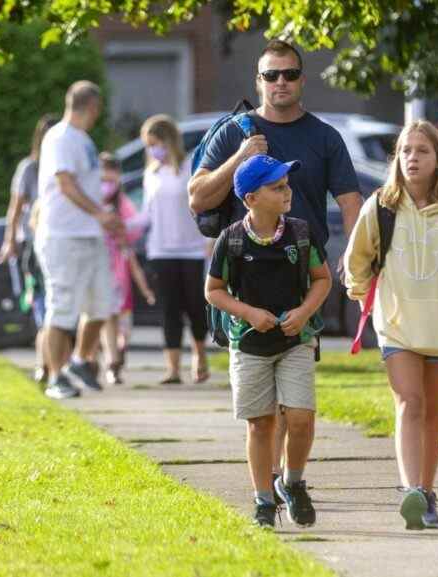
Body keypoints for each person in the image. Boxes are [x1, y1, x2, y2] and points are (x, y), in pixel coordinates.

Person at [189, 38, 363, 493]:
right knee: (261, 401)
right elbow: (198, 196)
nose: (280, 82)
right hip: (245, 280)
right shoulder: (235, 131)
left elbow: (350, 200)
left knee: (293, 397)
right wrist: (241, 157)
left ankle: (280, 480)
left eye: (289, 74)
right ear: (258, 81)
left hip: (303, 277)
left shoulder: (325, 137)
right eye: (271, 75)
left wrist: (354, 253)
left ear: (302, 80)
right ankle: (271, 480)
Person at [344, 121, 438, 530]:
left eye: (422, 151)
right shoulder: (379, 206)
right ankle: (411, 488)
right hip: (396, 326)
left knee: (432, 413)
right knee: (409, 403)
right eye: (405, 150)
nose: (412, 158)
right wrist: (362, 295)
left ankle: (427, 495)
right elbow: (355, 261)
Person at [205, 154, 332, 530]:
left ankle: (292, 482)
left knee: (301, 417)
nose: (286, 192)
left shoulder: (300, 233)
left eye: (286, 185)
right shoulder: (231, 240)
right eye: (276, 187)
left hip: (295, 340)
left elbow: (322, 279)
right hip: (248, 344)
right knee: (261, 424)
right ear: (251, 199)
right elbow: (214, 290)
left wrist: (305, 312)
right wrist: (247, 313)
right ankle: (263, 500)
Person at [35, 80, 123, 399]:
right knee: (61, 309)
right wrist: (100, 214)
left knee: (103, 304)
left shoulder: (82, 139)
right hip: (62, 236)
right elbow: (66, 185)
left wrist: (103, 219)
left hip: (89, 235)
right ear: (94, 107)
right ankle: (56, 376)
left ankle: (78, 361)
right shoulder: (58, 137)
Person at [134, 114, 209, 384]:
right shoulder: (151, 174)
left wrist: (209, 241)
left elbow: (202, 206)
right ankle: (173, 368)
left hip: (191, 249)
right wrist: (122, 226)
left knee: (194, 307)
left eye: (155, 143)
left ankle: (200, 357)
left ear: (168, 141)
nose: (153, 150)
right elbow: (146, 215)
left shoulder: (190, 168)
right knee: (169, 309)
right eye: (149, 145)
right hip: (160, 250)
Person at [0, 113, 58, 383]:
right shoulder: (30, 168)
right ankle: (44, 362)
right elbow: (16, 207)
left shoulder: (63, 167)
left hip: (58, 239)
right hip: (32, 243)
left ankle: (49, 363)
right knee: (40, 304)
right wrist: (10, 240)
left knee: (53, 305)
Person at [97, 152, 155, 385]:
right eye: (102, 180)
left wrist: (122, 229)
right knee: (106, 317)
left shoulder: (123, 204)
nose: (106, 186)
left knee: (125, 325)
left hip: (119, 272)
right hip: (100, 268)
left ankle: (119, 352)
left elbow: (137, 226)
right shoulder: (90, 202)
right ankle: (111, 363)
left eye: (110, 181)